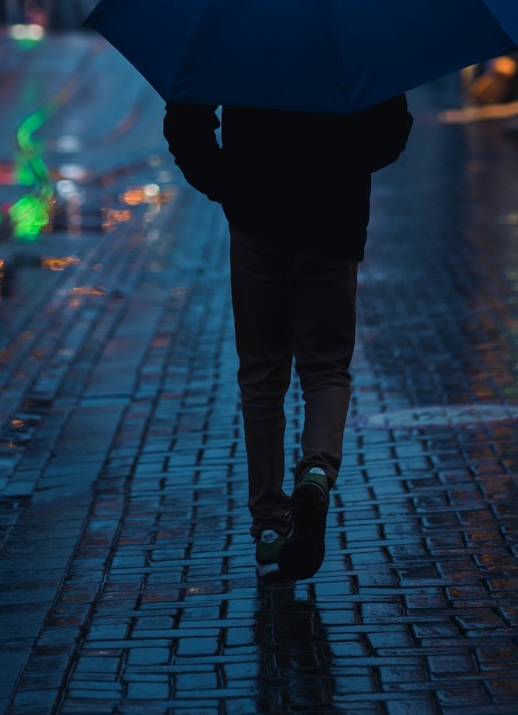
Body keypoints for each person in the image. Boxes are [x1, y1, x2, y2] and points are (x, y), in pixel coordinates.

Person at [163, 94, 413, 586]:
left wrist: (228, 185)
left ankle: (269, 526)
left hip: (257, 217)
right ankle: (316, 472)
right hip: (332, 220)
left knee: (261, 371)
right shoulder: (351, 24)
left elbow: (185, 122)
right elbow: (392, 130)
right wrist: (341, 165)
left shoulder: (233, 24)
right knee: (325, 367)